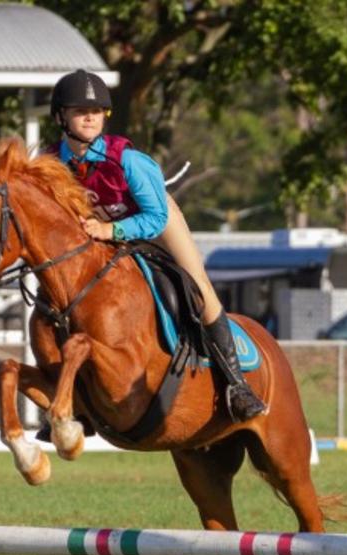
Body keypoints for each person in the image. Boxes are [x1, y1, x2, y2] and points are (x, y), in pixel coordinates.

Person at [46, 69, 266, 422]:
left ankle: (237, 385)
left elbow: (154, 218)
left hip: (153, 223)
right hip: (98, 233)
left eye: (97, 111)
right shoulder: (51, 163)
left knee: (198, 288)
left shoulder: (128, 161)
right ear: (60, 116)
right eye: (79, 110)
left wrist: (109, 229)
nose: (90, 117)